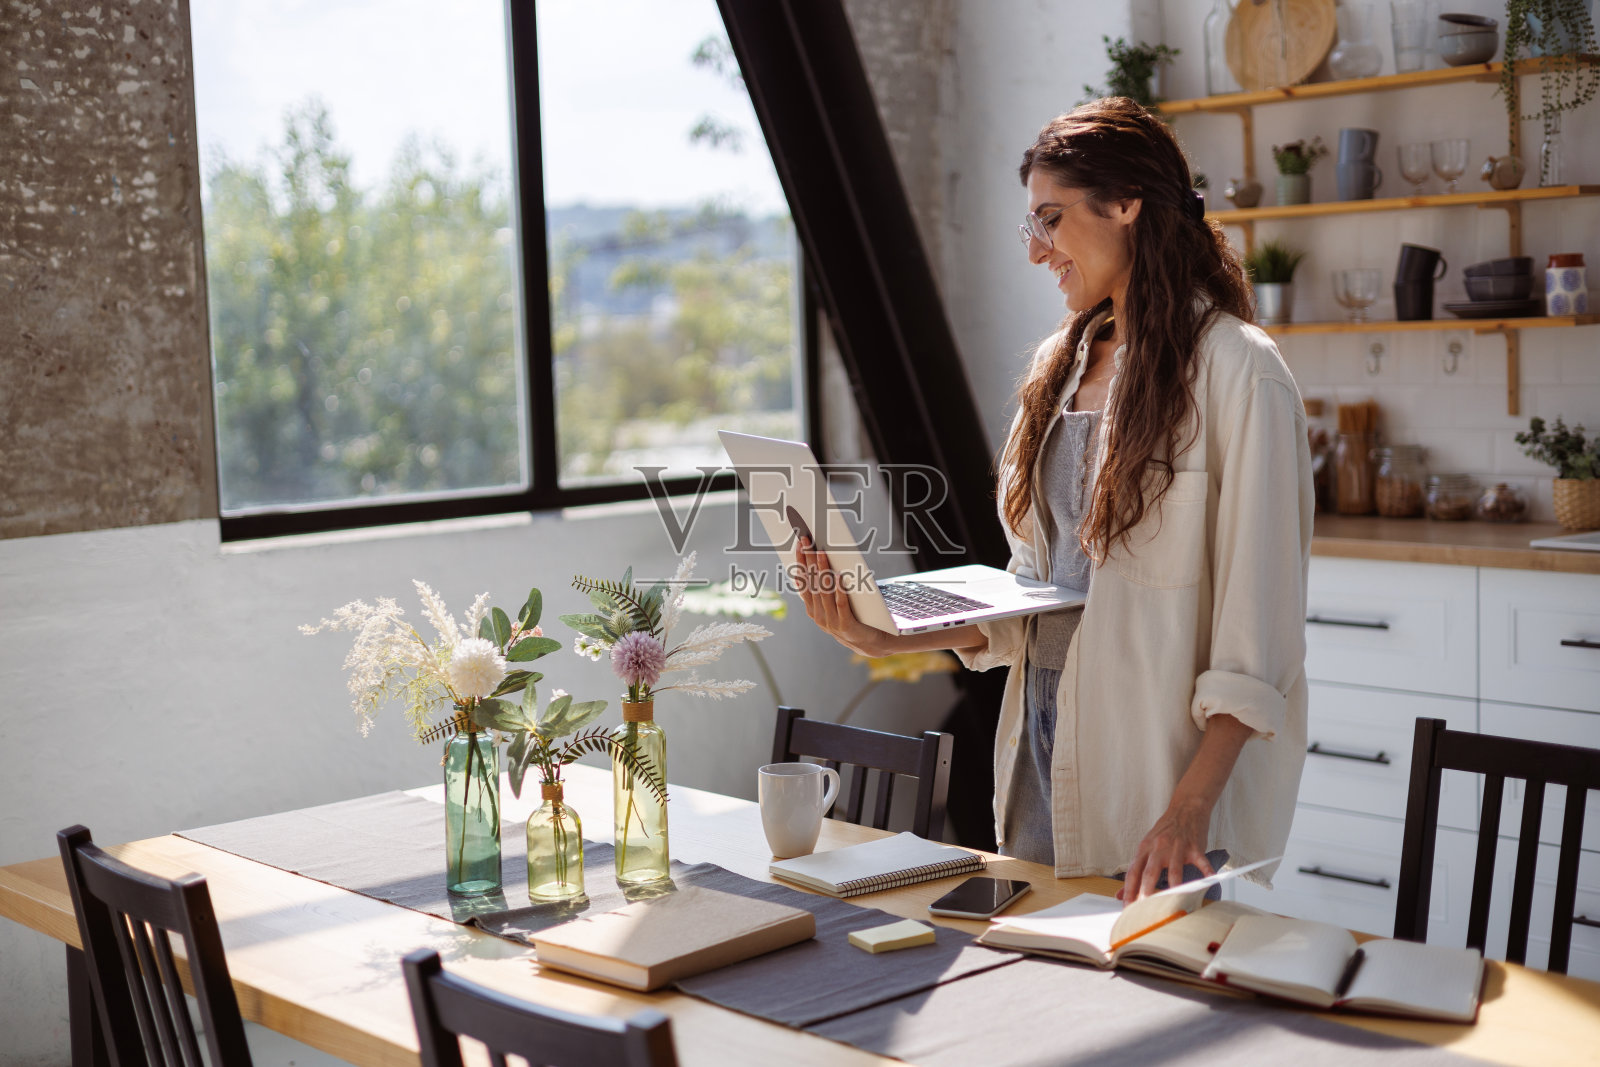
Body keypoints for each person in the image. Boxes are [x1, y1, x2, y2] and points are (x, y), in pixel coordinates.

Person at [794, 97, 1312, 903]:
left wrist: (1187, 807)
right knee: (1038, 992)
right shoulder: (1058, 365)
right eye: (1029, 226)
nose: (1038, 252)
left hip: (1155, 767)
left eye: (1051, 219)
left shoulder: (1239, 370)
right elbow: (1038, 588)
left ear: (1126, 204)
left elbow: (1259, 640)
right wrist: (881, 634)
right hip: (1040, 740)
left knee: (1152, 1008)